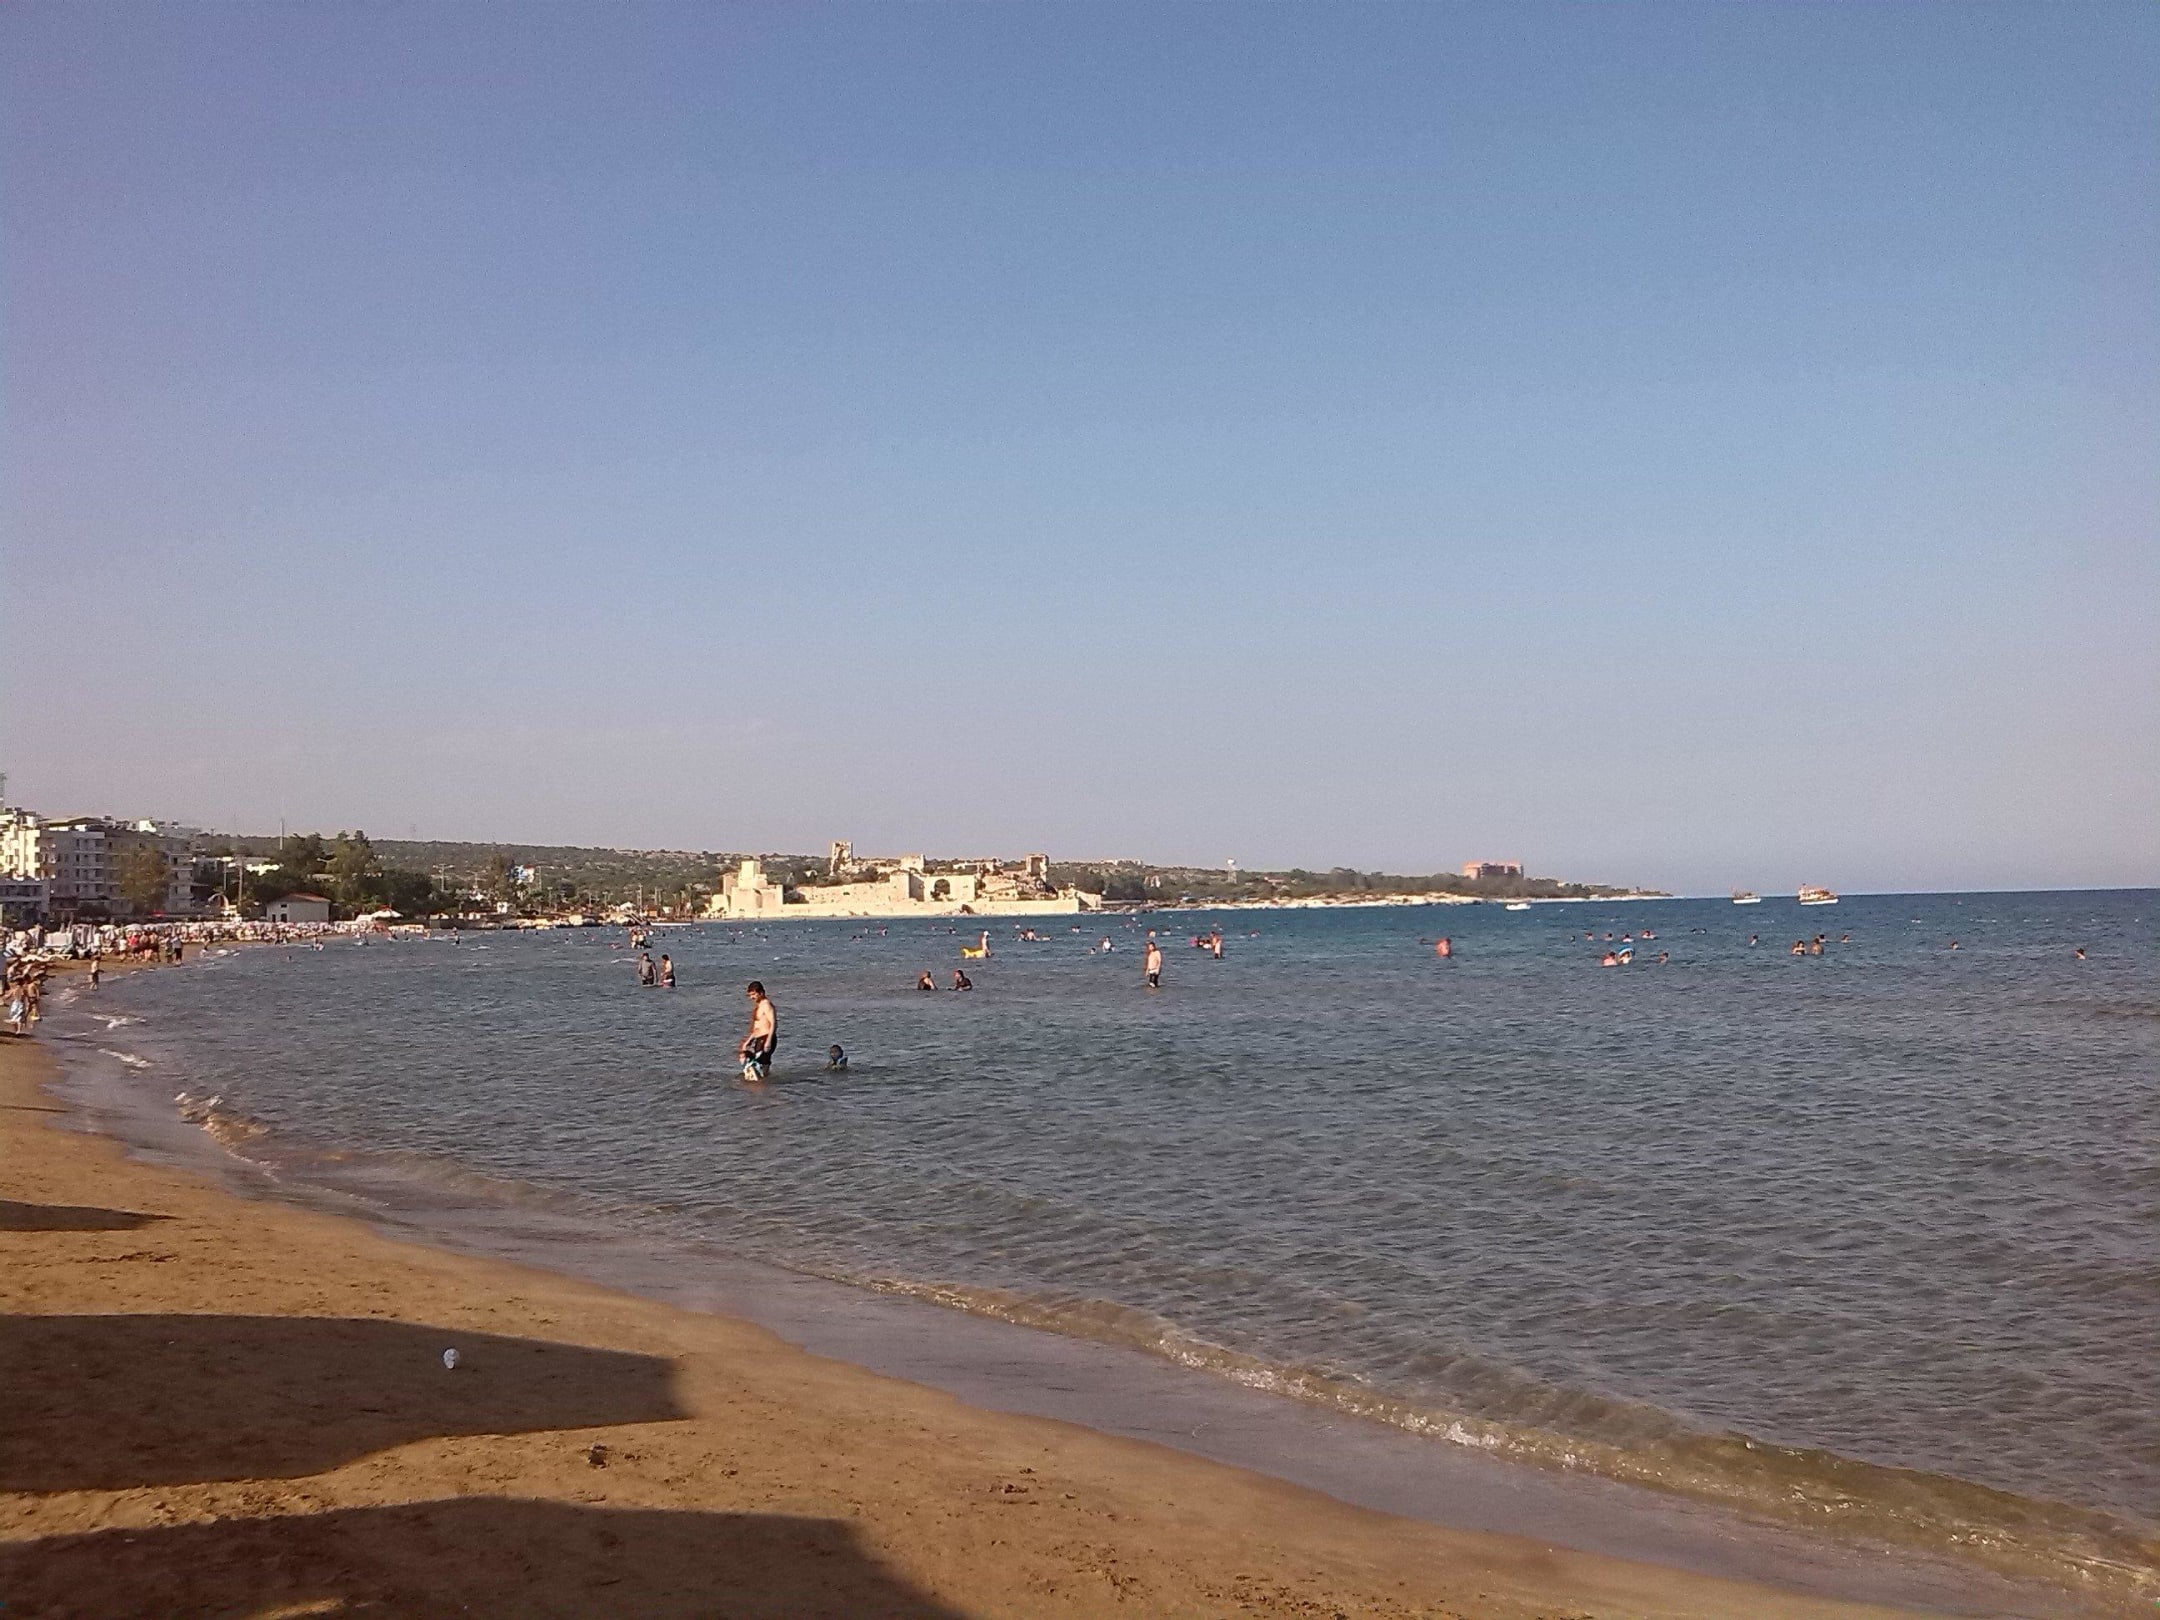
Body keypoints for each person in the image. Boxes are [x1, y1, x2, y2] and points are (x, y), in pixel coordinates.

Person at [738, 981, 778, 1081]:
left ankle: (762, 1084)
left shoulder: (766, 1005)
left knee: (760, 1063)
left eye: (754, 994)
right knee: (747, 1055)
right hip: (759, 1038)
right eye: (750, 995)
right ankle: (764, 1083)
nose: (752, 997)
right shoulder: (758, 1006)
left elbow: (774, 1023)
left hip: (767, 1037)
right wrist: (749, 1041)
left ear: (761, 993)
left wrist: (768, 1041)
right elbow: (757, 1027)